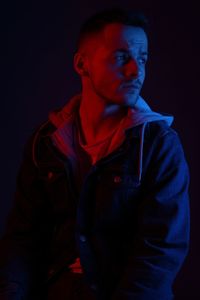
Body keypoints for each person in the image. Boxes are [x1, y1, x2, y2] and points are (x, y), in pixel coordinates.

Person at [0, 7, 190, 300]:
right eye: (121, 57)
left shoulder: (159, 144)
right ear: (81, 64)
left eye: (142, 59)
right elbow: (23, 238)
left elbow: (159, 252)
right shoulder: (46, 142)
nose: (135, 71)